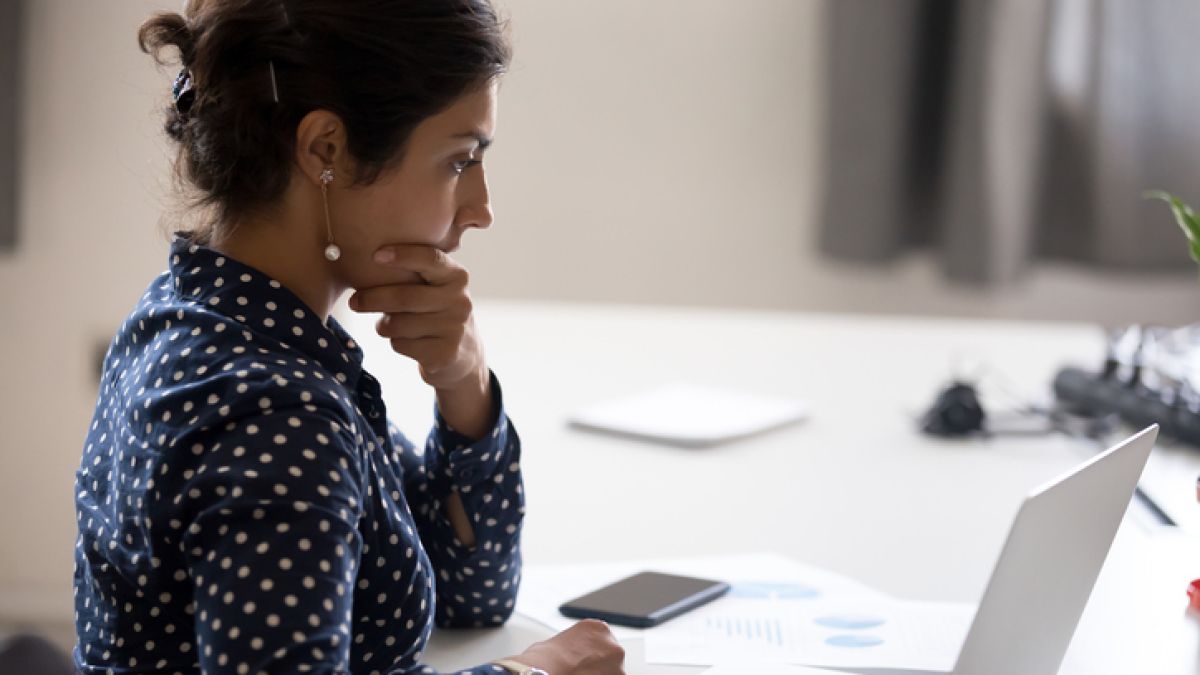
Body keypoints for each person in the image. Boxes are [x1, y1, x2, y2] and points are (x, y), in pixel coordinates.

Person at [72, 1, 625, 673]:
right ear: (325, 149)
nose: (482, 208)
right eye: (459, 160)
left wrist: (463, 383)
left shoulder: (199, 312)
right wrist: (530, 672)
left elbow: (471, 591)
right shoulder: (276, 415)